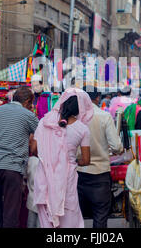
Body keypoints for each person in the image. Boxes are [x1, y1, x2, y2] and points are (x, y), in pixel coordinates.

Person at [0, 87, 39, 228]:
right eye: (31, 104)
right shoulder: (28, 115)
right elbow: (41, 135)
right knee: (11, 213)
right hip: (12, 167)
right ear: (28, 101)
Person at [33, 88, 93, 228]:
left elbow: (34, 149)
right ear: (81, 108)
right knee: (70, 218)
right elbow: (86, 160)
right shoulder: (82, 129)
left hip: (44, 178)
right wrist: (72, 160)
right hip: (67, 179)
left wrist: (49, 157)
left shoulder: (44, 122)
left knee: (46, 219)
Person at [78, 88, 123, 228]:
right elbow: (116, 146)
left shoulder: (74, 117)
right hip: (100, 174)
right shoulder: (104, 116)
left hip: (78, 172)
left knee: (76, 215)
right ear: (97, 98)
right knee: (100, 216)